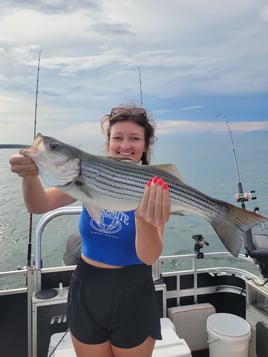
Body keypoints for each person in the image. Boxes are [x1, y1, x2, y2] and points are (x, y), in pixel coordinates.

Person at [9, 106, 171, 357]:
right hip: (87, 288)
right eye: (117, 137)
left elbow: (149, 257)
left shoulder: (154, 187)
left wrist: (144, 219)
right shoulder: (84, 176)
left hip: (134, 292)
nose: (125, 145)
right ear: (108, 142)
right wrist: (29, 176)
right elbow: (38, 205)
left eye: (135, 138)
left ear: (146, 145)